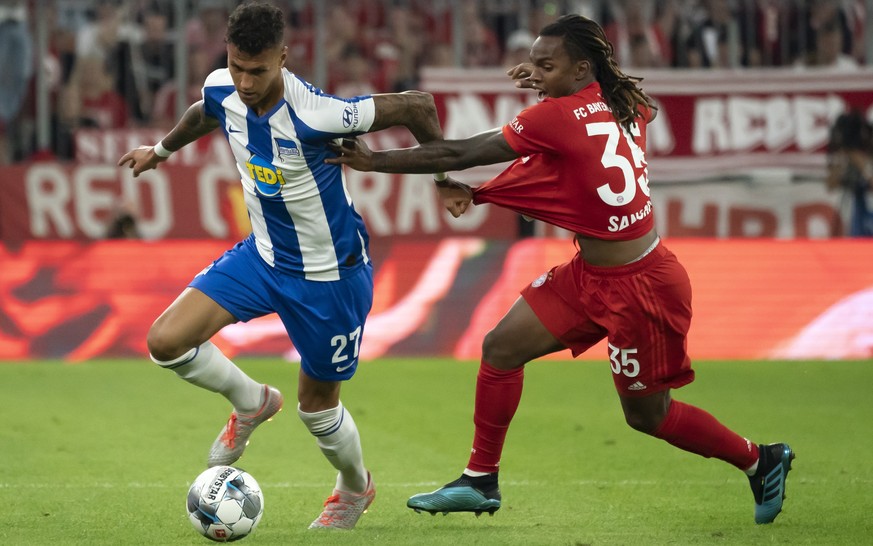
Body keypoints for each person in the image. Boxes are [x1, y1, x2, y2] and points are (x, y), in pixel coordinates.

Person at [326, 14, 794, 525]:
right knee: (501, 348)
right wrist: (556, 83)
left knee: (647, 417)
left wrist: (375, 162)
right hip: (591, 275)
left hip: (643, 288)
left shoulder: (557, 116)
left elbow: (461, 152)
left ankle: (759, 459)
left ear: (581, 69)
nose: (536, 75)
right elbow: (588, 149)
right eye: (535, 65)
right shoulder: (623, 102)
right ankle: (481, 479)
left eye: (546, 66)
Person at [117, 1, 456, 531]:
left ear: (283, 57)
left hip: (330, 277)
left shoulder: (318, 114)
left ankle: (354, 485)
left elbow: (417, 106)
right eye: (237, 67)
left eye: (259, 70)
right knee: (165, 341)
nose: (246, 82)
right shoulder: (222, 87)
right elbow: (204, 111)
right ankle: (251, 402)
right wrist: (159, 151)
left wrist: (442, 179)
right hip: (263, 255)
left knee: (317, 409)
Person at [825, 110, 873, 236]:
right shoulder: (843, 158)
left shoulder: (868, 157)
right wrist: (842, 161)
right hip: (855, 223)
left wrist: (861, 162)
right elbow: (830, 185)